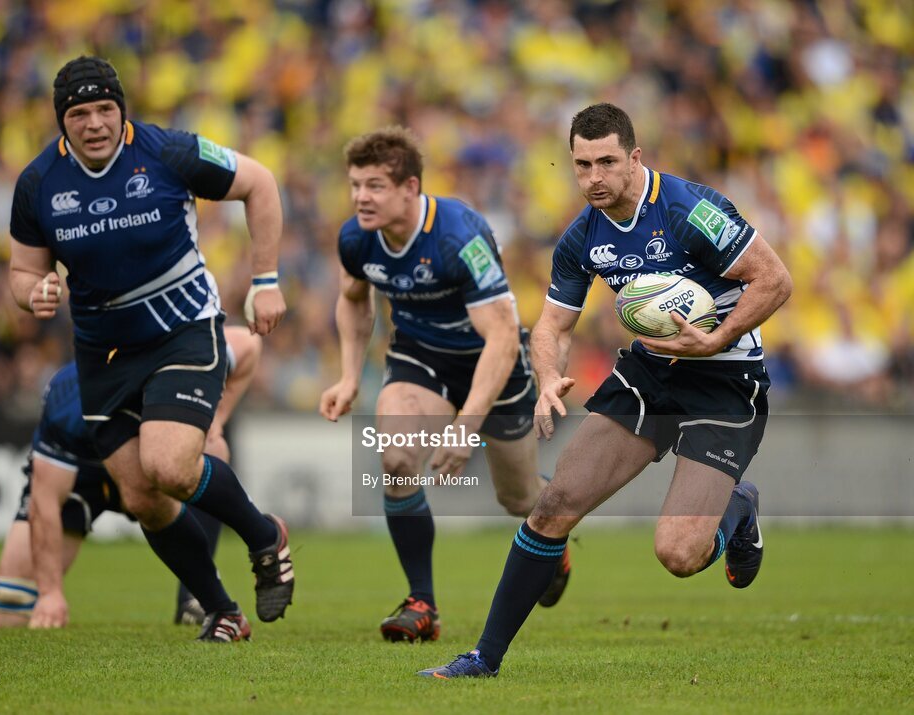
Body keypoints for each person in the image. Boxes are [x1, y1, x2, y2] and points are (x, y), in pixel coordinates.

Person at [420, 102, 792, 678]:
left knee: (679, 553)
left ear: (635, 157)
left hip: (725, 377)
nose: (593, 177)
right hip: (650, 372)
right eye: (581, 164)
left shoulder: (690, 209)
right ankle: (483, 659)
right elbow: (551, 326)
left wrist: (718, 338)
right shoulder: (582, 237)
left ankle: (739, 509)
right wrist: (547, 380)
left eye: (607, 162)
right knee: (553, 506)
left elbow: (774, 280)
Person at [8, 56, 293, 643]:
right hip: (103, 353)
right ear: (62, 121)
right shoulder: (38, 183)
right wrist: (32, 291)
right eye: (79, 113)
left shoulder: (168, 151)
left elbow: (259, 183)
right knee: (143, 497)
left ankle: (264, 537)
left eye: (104, 109)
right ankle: (222, 611)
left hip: (183, 328)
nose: (93, 123)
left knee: (169, 466)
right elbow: (21, 269)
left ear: (122, 111)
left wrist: (265, 280)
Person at [319, 126, 570, 643]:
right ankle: (422, 603)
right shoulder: (356, 237)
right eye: (355, 185)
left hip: (493, 366)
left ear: (410, 188)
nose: (361, 198)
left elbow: (501, 336)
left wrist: (466, 427)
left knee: (518, 498)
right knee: (395, 459)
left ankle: (554, 534)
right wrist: (348, 374)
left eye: (375, 186)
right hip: (420, 359)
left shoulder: (459, 234)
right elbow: (351, 296)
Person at [0, 326, 262, 630]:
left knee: (211, 446)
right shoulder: (68, 397)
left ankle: (196, 598)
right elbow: (45, 500)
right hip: (83, 476)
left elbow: (248, 344)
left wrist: (217, 418)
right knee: (10, 607)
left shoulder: (179, 360)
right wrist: (50, 592)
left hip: (149, 467)